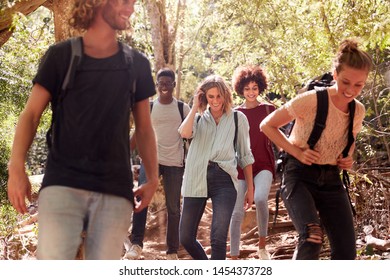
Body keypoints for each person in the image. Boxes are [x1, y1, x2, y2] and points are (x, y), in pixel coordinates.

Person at [7, 0, 159, 260]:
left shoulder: (137, 64)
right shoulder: (61, 57)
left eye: (133, 2)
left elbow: (144, 128)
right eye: (125, 1)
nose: (131, 8)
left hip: (115, 191)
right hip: (62, 187)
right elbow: (31, 115)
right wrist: (16, 167)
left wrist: (152, 178)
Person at [260, 39, 373, 259]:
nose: (351, 90)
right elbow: (267, 125)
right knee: (312, 237)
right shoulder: (311, 100)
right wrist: (297, 151)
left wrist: (347, 158)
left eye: (358, 85)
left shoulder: (358, 110)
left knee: (346, 252)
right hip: (298, 175)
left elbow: (349, 142)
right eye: (345, 82)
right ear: (334, 74)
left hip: (331, 179)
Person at [178, 74, 254, 260]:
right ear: (205, 97)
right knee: (186, 237)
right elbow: (184, 133)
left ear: (225, 95)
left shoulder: (238, 119)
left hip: (224, 179)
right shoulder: (197, 119)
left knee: (218, 238)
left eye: (218, 96)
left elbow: (245, 155)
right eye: (210, 97)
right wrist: (195, 105)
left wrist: (250, 188)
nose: (215, 101)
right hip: (196, 177)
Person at [125, 68, 190, 260]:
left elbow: (190, 135)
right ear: (156, 85)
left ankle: (172, 251)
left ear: (173, 85)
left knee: (173, 207)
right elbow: (138, 133)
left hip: (175, 163)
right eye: (160, 83)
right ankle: (136, 244)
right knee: (141, 202)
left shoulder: (182, 108)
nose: (164, 86)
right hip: (150, 161)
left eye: (168, 83)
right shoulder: (149, 107)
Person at [229, 65, 276, 260]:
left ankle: (262, 247)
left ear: (260, 88)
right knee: (237, 210)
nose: (251, 92)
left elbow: (281, 136)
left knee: (261, 198)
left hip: (264, 164)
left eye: (254, 88)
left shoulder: (269, 110)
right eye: (247, 88)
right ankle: (233, 254)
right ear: (241, 89)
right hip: (240, 168)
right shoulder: (234, 114)